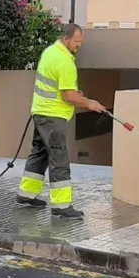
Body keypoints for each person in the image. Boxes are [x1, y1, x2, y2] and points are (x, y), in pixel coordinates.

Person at [16, 24, 105, 219]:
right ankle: (62, 206)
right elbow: (68, 96)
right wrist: (88, 103)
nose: (79, 46)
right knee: (59, 157)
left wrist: (77, 95)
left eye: (81, 42)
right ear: (66, 38)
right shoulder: (65, 61)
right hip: (53, 115)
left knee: (40, 153)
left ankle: (26, 194)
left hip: (40, 111)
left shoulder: (50, 52)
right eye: (76, 42)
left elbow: (59, 88)